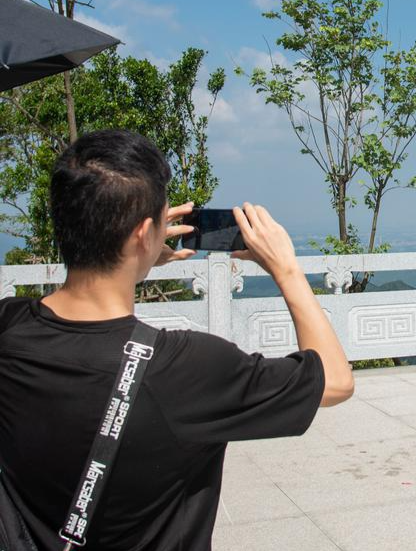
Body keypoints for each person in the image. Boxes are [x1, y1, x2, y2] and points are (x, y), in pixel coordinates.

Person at [0, 129, 354, 549]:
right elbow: (335, 380)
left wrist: (138, 253)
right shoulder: (185, 367)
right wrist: (287, 270)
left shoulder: (10, 326)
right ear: (144, 232)